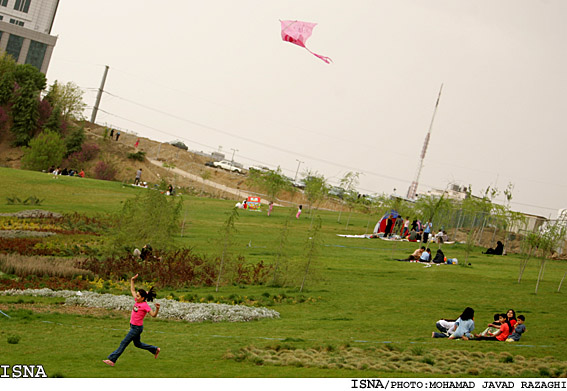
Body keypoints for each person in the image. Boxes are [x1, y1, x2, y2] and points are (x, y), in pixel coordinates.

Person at [103, 274, 160, 366]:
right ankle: (155, 349)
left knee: (124, 342)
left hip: (136, 328)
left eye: (138, 296)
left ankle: (112, 360)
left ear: (143, 298)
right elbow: (132, 290)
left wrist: (157, 309)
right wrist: (132, 280)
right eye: (136, 296)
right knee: (137, 344)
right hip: (133, 326)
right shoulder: (138, 301)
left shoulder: (145, 306)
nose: (136, 297)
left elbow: (153, 315)